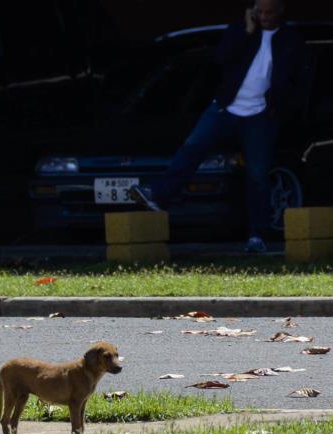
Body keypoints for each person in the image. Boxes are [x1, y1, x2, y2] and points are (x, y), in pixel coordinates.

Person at [128, 0, 308, 253]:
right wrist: (247, 31)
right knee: (192, 147)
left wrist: (280, 110)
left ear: (280, 11)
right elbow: (222, 58)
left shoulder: (291, 41)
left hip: (260, 115)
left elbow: (300, 81)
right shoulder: (240, 30)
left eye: (269, 12)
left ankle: (258, 235)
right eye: (260, 11)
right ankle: (158, 196)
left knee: (257, 175)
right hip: (225, 107)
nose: (264, 17)